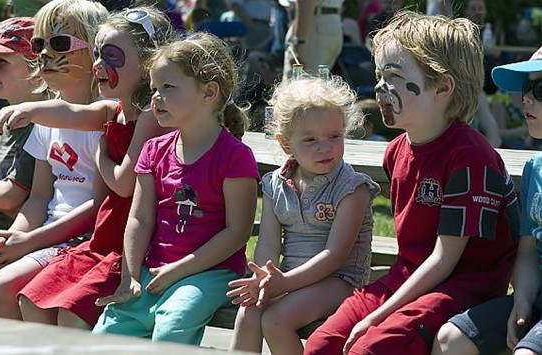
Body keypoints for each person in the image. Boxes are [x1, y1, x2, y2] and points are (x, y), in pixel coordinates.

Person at [304, 11, 520, 355]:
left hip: (461, 289)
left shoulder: (469, 157)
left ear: (443, 87)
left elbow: (445, 261)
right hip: (408, 277)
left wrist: (378, 316)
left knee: (370, 349)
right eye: (378, 75)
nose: (379, 88)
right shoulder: (395, 151)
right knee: (320, 345)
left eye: (393, 76)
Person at [0, 7, 174, 330]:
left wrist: (103, 153)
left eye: (112, 56)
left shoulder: (149, 115)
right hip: (101, 239)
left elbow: (123, 184)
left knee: (70, 316)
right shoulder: (112, 110)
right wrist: (30, 109)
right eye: (96, 54)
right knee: (31, 300)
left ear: (148, 62)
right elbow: (70, 111)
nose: (98, 65)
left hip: (131, 244)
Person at [91, 32, 260, 345]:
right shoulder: (154, 150)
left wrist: (179, 270)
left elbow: (237, 232)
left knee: (171, 330)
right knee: (104, 337)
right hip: (152, 271)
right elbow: (139, 219)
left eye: (168, 88)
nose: (155, 97)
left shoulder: (234, 156)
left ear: (209, 93)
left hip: (211, 273)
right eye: (154, 88)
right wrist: (129, 276)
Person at [228, 74, 380, 354]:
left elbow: (335, 255)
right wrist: (263, 278)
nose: (325, 147)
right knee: (248, 313)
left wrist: (285, 283)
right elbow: (269, 243)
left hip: (339, 282)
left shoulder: (351, 188)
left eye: (334, 136)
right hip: (290, 278)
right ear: (286, 144)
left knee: (276, 320)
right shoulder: (276, 184)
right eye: (310, 139)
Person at [0, 0, 109, 318]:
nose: (46, 54)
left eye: (60, 43)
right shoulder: (46, 121)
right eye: (40, 44)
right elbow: (38, 198)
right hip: (45, 236)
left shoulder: (107, 118)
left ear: (96, 49)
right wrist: (13, 239)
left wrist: (29, 240)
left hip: (86, 240)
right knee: (5, 281)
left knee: (14, 289)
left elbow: (101, 205)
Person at [432, 46, 542, 355]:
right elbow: (529, 251)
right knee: (449, 339)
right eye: (525, 88)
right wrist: (522, 297)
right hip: (536, 297)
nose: (527, 98)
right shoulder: (535, 168)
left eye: (539, 88)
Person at [0, 17, 51, 231]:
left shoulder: (42, 127)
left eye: (3, 61)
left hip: (2, 234)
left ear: (37, 74)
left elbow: (8, 198)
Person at [282, 0, 344, 79]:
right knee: (318, 83)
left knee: (298, 83)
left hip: (312, 26)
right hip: (331, 22)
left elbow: (306, 2)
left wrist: (300, 42)